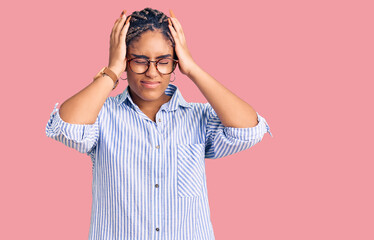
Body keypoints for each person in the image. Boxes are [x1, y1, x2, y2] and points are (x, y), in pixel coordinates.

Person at [45, 7, 272, 240]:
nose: (152, 72)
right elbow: (66, 127)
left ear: (175, 62)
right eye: (140, 61)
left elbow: (249, 131)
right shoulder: (102, 115)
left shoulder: (198, 117)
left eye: (163, 61)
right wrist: (112, 71)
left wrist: (192, 69)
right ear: (125, 60)